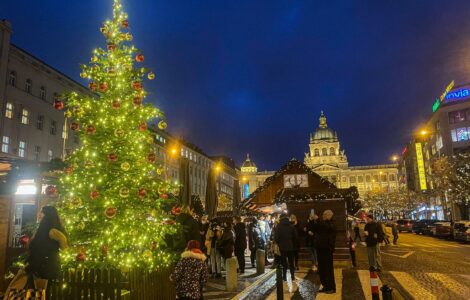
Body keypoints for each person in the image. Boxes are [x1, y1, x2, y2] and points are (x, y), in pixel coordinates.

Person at [27, 205, 68, 283]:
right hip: (41, 266)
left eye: (42, 212)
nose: (39, 214)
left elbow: (64, 246)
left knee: (43, 291)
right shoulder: (41, 229)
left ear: (48, 215)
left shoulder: (53, 231)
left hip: (46, 267)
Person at [313, 210, 336, 294]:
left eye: (324, 214)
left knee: (328, 269)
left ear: (329, 215)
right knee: (322, 269)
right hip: (320, 248)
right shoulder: (323, 223)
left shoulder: (331, 223)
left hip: (327, 249)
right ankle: (325, 286)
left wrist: (318, 219)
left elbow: (327, 227)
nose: (323, 215)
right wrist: (313, 221)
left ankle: (331, 287)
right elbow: (317, 228)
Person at [275, 214, 298, 281]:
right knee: (291, 262)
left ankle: (284, 277)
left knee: (284, 263)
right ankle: (293, 277)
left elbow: (276, 238)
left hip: (282, 248)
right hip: (291, 247)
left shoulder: (278, 226)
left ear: (281, 218)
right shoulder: (291, 226)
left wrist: (279, 243)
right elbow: (295, 237)